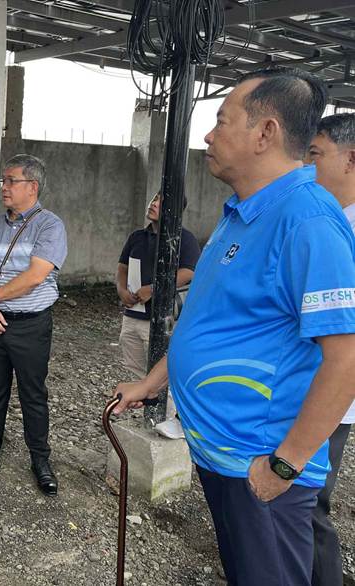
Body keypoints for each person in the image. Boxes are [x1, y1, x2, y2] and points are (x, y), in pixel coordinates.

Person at [112, 68, 355, 586]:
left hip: (258, 464)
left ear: (265, 133)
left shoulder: (308, 222)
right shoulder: (242, 212)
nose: (208, 134)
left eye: (222, 121)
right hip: (223, 455)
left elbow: (347, 359)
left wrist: (283, 467)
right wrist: (151, 383)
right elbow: (208, 320)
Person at [0, 154, 67, 497]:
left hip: (30, 325)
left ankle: (40, 460)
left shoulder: (49, 226)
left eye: (11, 181)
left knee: (33, 395)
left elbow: (35, 276)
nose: (4, 187)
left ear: (32, 186)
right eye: (3, 181)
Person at [306, 113, 355, 586]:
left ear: (350, 159)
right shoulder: (321, 219)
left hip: (333, 392)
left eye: (316, 155)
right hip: (298, 383)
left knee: (311, 500)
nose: (307, 165)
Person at [115, 191, 200, 438]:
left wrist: (153, 289)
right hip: (133, 314)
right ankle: (149, 401)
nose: (153, 203)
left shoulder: (184, 238)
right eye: (153, 199)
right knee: (135, 364)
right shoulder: (137, 237)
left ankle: (170, 420)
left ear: (174, 209)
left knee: (165, 369)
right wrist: (121, 290)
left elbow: (188, 273)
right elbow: (122, 268)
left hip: (161, 319)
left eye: (161, 201)